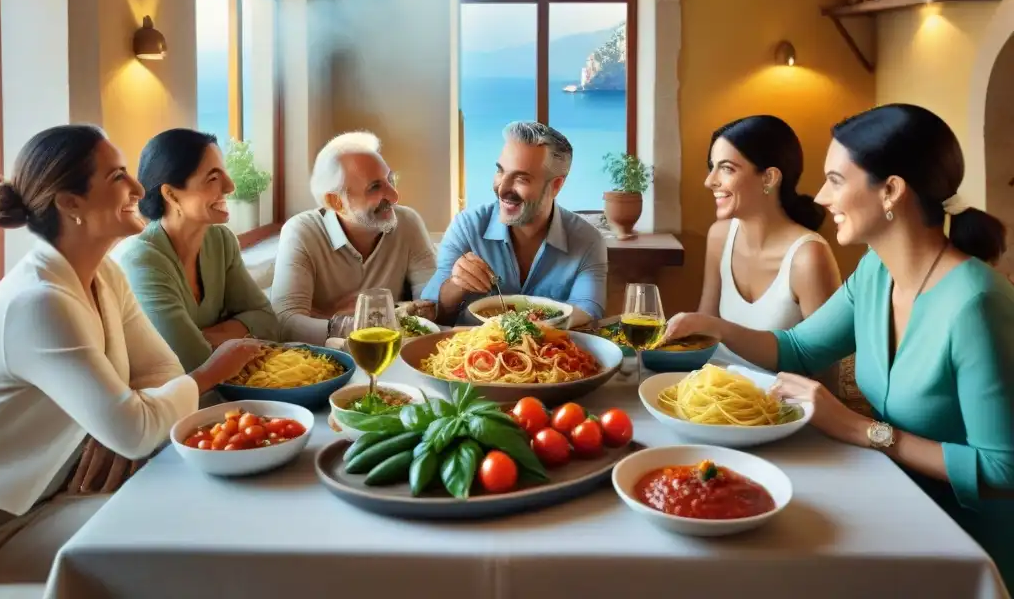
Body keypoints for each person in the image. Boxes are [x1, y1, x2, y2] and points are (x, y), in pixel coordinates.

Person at [663, 104, 1014, 588]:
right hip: (893, 496)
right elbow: (798, 350)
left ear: (891, 190)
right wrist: (713, 326)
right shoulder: (874, 272)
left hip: (966, 546)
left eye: (835, 179)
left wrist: (863, 430)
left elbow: (1002, 469)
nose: (822, 196)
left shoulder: (975, 304)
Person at [0, 125, 260, 584]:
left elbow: (159, 371)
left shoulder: (104, 275)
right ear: (69, 203)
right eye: (118, 176)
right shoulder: (39, 301)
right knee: (191, 531)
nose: (138, 188)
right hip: (8, 525)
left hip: (67, 487)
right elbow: (136, 427)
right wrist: (209, 374)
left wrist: (129, 423)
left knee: (219, 506)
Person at [114, 129, 279, 371]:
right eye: (213, 178)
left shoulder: (221, 240)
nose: (230, 186)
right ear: (171, 194)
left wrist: (204, 337)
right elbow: (190, 361)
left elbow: (267, 320)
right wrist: (234, 333)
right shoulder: (141, 260)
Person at [423, 122, 607, 328]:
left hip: (552, 356)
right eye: (501, 171)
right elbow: (431, 313)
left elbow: (589, 311)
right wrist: (455, 285)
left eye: (521, 178)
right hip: (472, 356)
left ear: (556, 186)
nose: (502, 189)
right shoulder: (467, 226)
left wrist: (524, 328)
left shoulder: (588, 240)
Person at [693, 116, 841, 370]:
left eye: (727, 168)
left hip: (783, 407)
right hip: (718, 399)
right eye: (712, 166)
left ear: (769, 178)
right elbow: (704, 335)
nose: (710, 181)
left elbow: (825, 370)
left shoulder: (808, 256)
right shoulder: (719, 236)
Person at [271, 131, 437, 345]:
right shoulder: (301, 231)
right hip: (329, 362)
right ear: (335, 202)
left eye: (390, 179)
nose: (395, 197)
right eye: (375, 187)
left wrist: (331, 320)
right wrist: (355, 324)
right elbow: (285, 323)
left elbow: (430, 304)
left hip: (394, 355)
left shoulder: (408, 222)